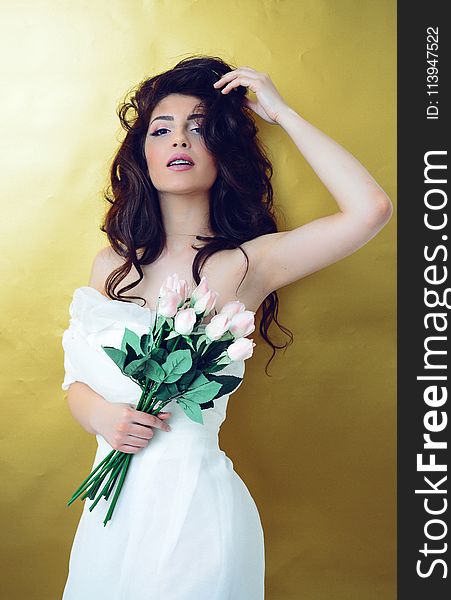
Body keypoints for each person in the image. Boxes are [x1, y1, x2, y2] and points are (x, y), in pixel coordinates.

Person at [61, 55, 393, 599]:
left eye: (199, 128)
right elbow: (75, 381)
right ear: (142, 155)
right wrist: (102, 417)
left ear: (223, 151)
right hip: (111, 517)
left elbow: (371, 209)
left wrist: (282, 113)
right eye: (162, 129)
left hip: (195, 511)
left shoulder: (247, 263)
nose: (179, 141)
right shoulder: (112, 264)